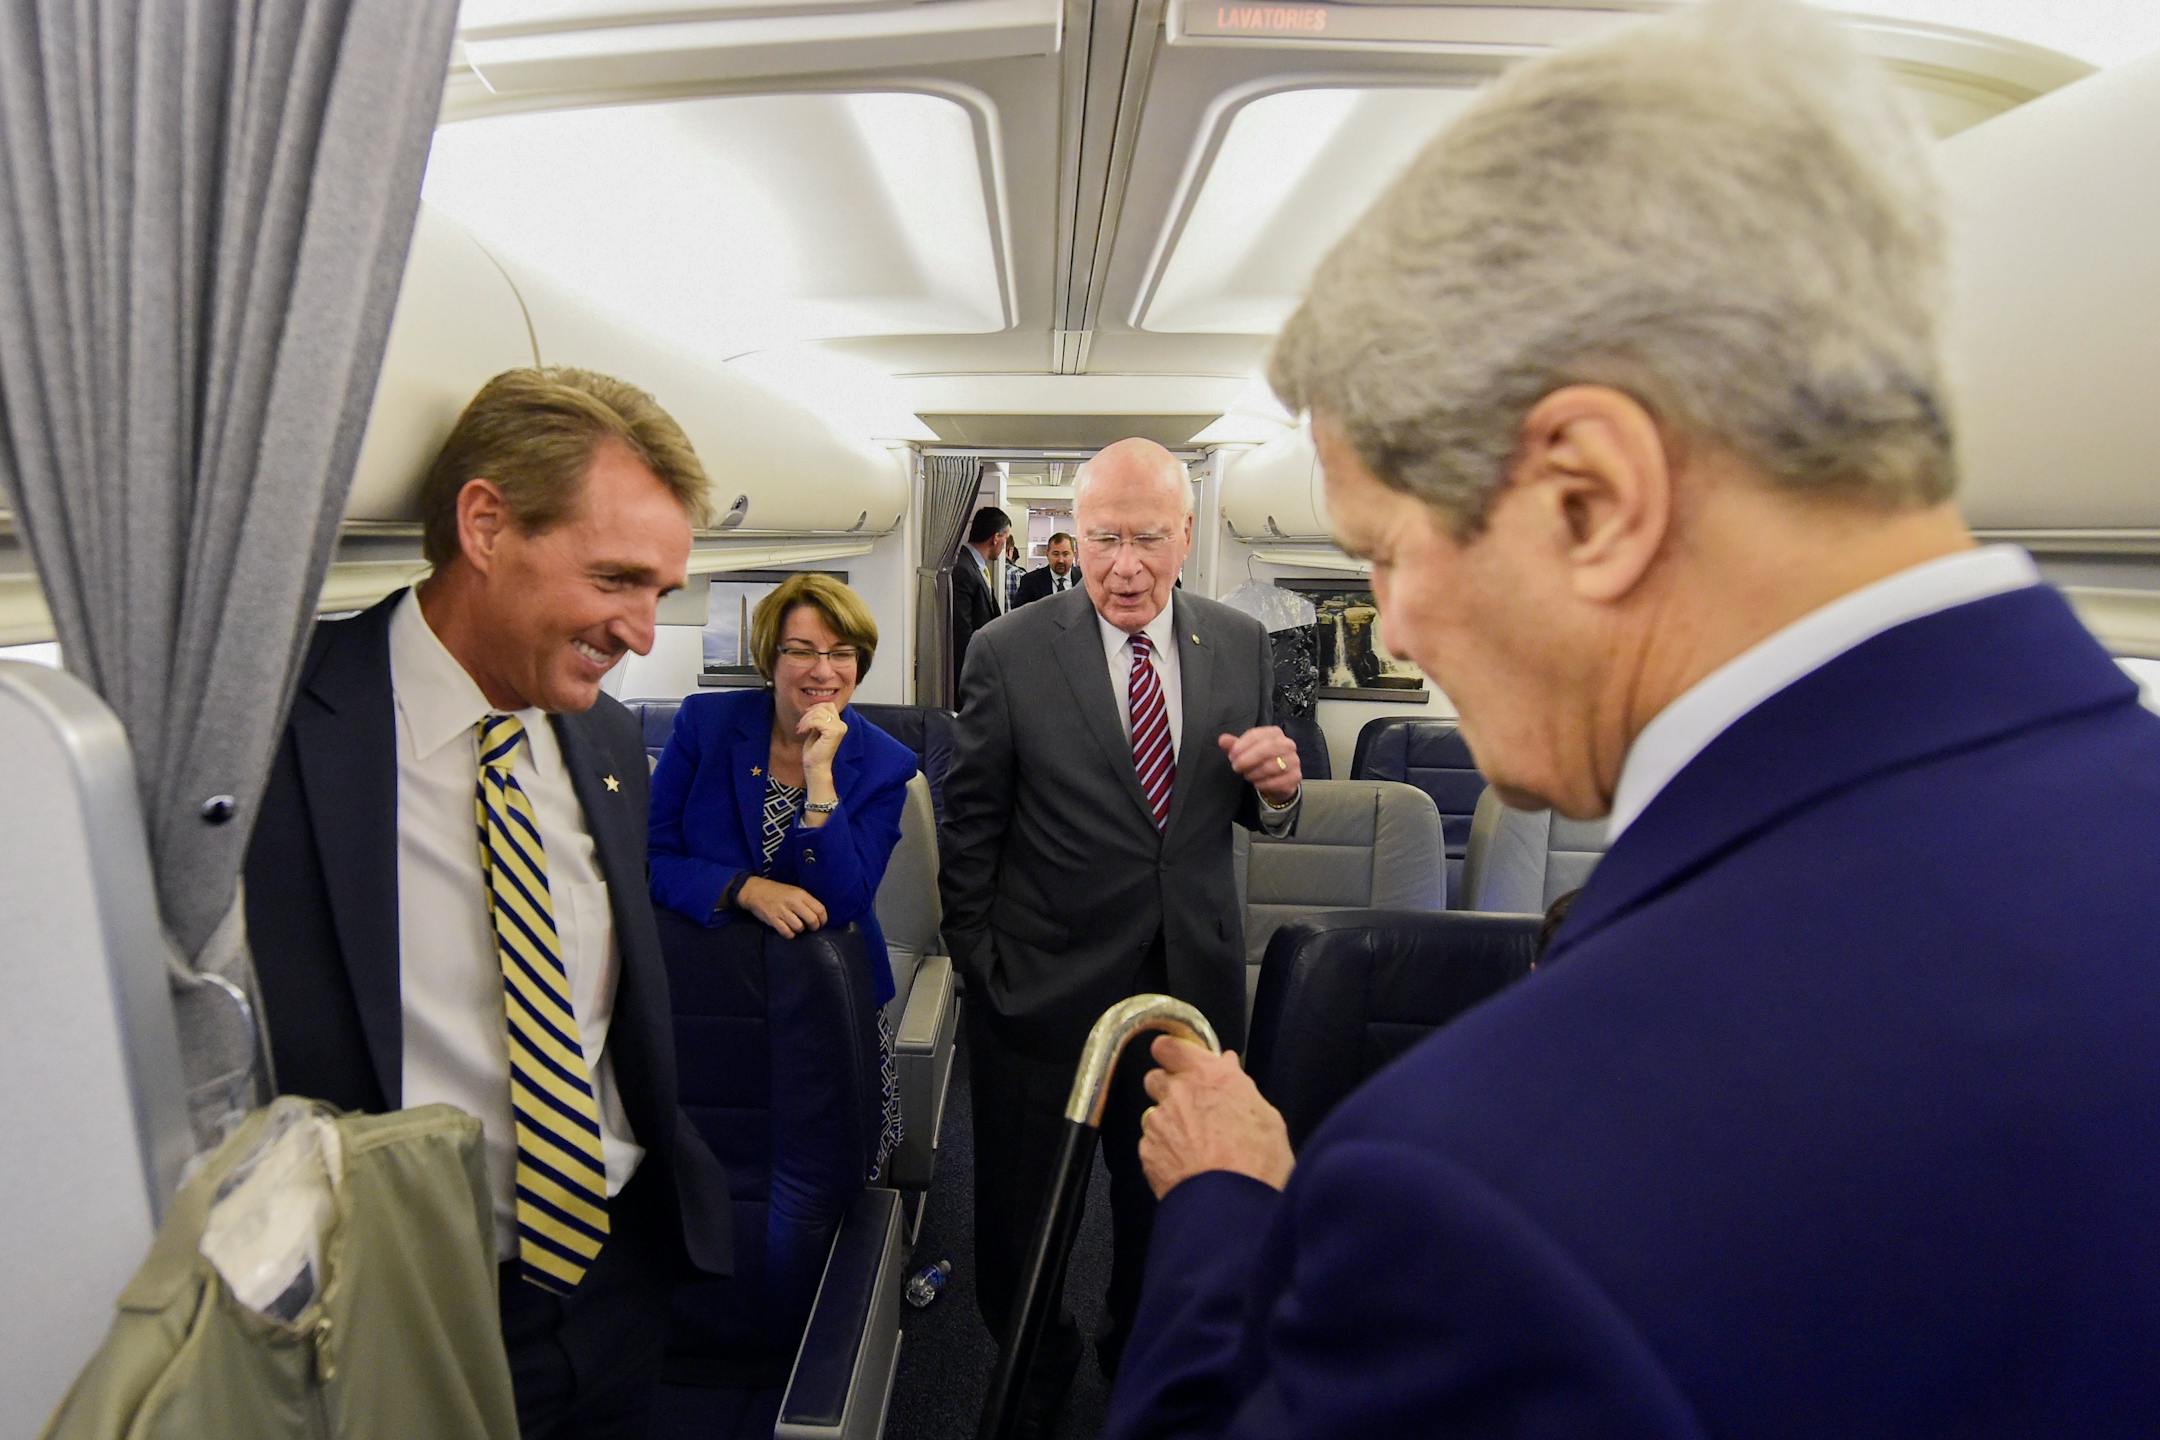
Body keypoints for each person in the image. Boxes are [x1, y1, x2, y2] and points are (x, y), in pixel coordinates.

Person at [1107, 2, 2160, 1437]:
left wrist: (1230, 1215)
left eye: (1391, 554)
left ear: (1590, 500)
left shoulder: (1489, 1192)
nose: (1394, 627)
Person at [243, 366, 735, 1439]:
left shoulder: (604, 737)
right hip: (397, 1311)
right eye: (616, 579)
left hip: (611, 1281)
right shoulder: (267, 736)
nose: (644, 633)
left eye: (663, 591)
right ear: (485, 525)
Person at [940, 437, 1304, 1435]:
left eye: (1148, 539)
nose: (1125, 566)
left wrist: (1278, 793)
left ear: (1187, 536)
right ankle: (1035, 1373)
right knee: (1022, 1221)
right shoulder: (1009, 652)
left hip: (1188, 985)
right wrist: (983, 965)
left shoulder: (1238, 645)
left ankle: (1137, 1355)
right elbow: (968, 825)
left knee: (1166, 1213)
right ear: (1071, 536)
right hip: (1040, 987)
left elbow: (1244, 801)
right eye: (1103, 540)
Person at [645, 572, 917, 1178]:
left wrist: (821, 781)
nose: (824, 671)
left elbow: (843, 900)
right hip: (710, 994)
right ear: (771, 657)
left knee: (832, 1181)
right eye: (803, 651)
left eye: (841, 653)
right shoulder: (707, 727)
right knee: (713, 1172)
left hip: (827, 997)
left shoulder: (882, 764)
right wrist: (743, 888)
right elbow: (648, 857)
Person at [951, 505, 1009, 685]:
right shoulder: (964, 569)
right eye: (1005, 539)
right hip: (971, 671)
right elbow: (962, 631)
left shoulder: (976, 566)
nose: (1004, 546)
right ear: (996, 538)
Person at [1013, 530, 1081, 606]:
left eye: (1065, 554)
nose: (1061, 560)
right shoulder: (1030, 581)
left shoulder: (1084, 579)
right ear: (1047, 554)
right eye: (1056, 554)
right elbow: (1019, 614)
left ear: (1074, 555)